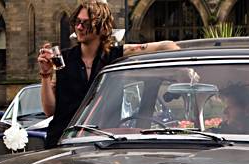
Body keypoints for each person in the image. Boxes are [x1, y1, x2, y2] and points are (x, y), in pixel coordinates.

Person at [38, 0, 179, 148]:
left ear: (102, 27)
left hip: (103, 144)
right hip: (62, 142)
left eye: (86, 23)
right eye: (77, 22)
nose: (79, 27)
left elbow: (166, 46)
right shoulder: (64, 59)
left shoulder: (115, 56)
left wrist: (183, 69)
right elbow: (50, 111)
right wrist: (45, 75)